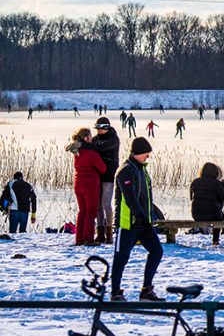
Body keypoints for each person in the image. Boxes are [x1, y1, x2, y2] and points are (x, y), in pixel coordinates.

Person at [110, 137, 164, 302]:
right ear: (138, 152)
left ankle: (146, 290)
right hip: (127, 224)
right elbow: (130, 199)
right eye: (146, 153)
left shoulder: (142, 170)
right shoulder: (126, 170)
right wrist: (143, 220)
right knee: (121, 258)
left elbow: (145, 199)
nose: (148, 156)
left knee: (157, 251)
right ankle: (115, 293)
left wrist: (149, 219)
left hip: (143, 224)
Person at [79, 117, 120, 244]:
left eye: (100, 128)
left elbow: (99, 148)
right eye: (97, 128)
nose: (98, 131)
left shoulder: (113, 139)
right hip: (97, 176)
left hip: (108, 176)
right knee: (98, 206)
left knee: (106, 204)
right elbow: (92, 148)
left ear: (106, 127)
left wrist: (83, 144)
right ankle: (100, 233)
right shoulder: (96, 139)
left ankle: (109, 233)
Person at [66, 128, 106, 246]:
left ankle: (79, 239)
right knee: (90, 212)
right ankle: (88, 239)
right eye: (90, 136)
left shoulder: (77, 152)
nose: (92, 138)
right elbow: (103, 169)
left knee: (82, 212)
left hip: (78, 183)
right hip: (90, 185)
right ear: (85, 138)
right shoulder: (91, 153)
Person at [190, 162, 224, 246]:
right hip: (213, 215)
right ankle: (216, 240)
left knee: (218, 213)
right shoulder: (217, 183)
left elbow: (191, 197)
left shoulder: (195, 182)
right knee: (218, 216)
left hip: (197, 214)